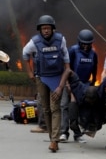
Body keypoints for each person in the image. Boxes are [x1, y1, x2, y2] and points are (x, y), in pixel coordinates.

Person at [22, 15, 70, 152]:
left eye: (48, 28)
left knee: (55, 108)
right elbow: (25, 54)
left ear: (52, 29)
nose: (46, 31)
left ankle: (54, 140)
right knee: (46, 109)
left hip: (56, 78)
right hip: (41, 78)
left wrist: (63, 83)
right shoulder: (34, 42)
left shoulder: (60, 40)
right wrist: (30, 73)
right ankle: (52, 138)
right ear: (40, 30)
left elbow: (66, 60)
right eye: (43, 28)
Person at [59, 29, 97, 143]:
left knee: (81, 109)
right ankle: (63, 132)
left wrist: (92, 85)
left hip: (84, 84)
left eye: (88, 44)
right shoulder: (73, 51)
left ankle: (78, 134)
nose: (86, 46)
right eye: (83, 44)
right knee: (65, 106)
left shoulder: (93, 54)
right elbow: (67, 68)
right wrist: (67, 84)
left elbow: (95, 70)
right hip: (70, 82)